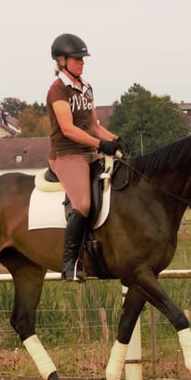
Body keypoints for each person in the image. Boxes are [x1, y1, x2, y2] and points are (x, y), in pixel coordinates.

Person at [46, 33, 125, 282]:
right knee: (82, 204)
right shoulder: (57, 90)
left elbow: (93, 126)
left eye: (82, 59)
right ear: (61, 60)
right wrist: (100, 144)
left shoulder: (86, 88)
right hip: (67, 154)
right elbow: (69, 129)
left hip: (89, 152)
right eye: (77, 59)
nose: (82, 62)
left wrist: (115, 140)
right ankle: (69, 262)